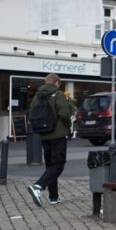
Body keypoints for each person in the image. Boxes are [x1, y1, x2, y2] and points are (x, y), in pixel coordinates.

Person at [26, 73, 73, 206]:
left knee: (50, 166)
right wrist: (68, 126)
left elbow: (31, 114)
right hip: (58, 135)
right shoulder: (58, 94)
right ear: (57, 82)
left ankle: (53, 197)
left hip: (44, 135)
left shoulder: (37, 96)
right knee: (58, 165)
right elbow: (64, 114)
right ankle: (38, 186)